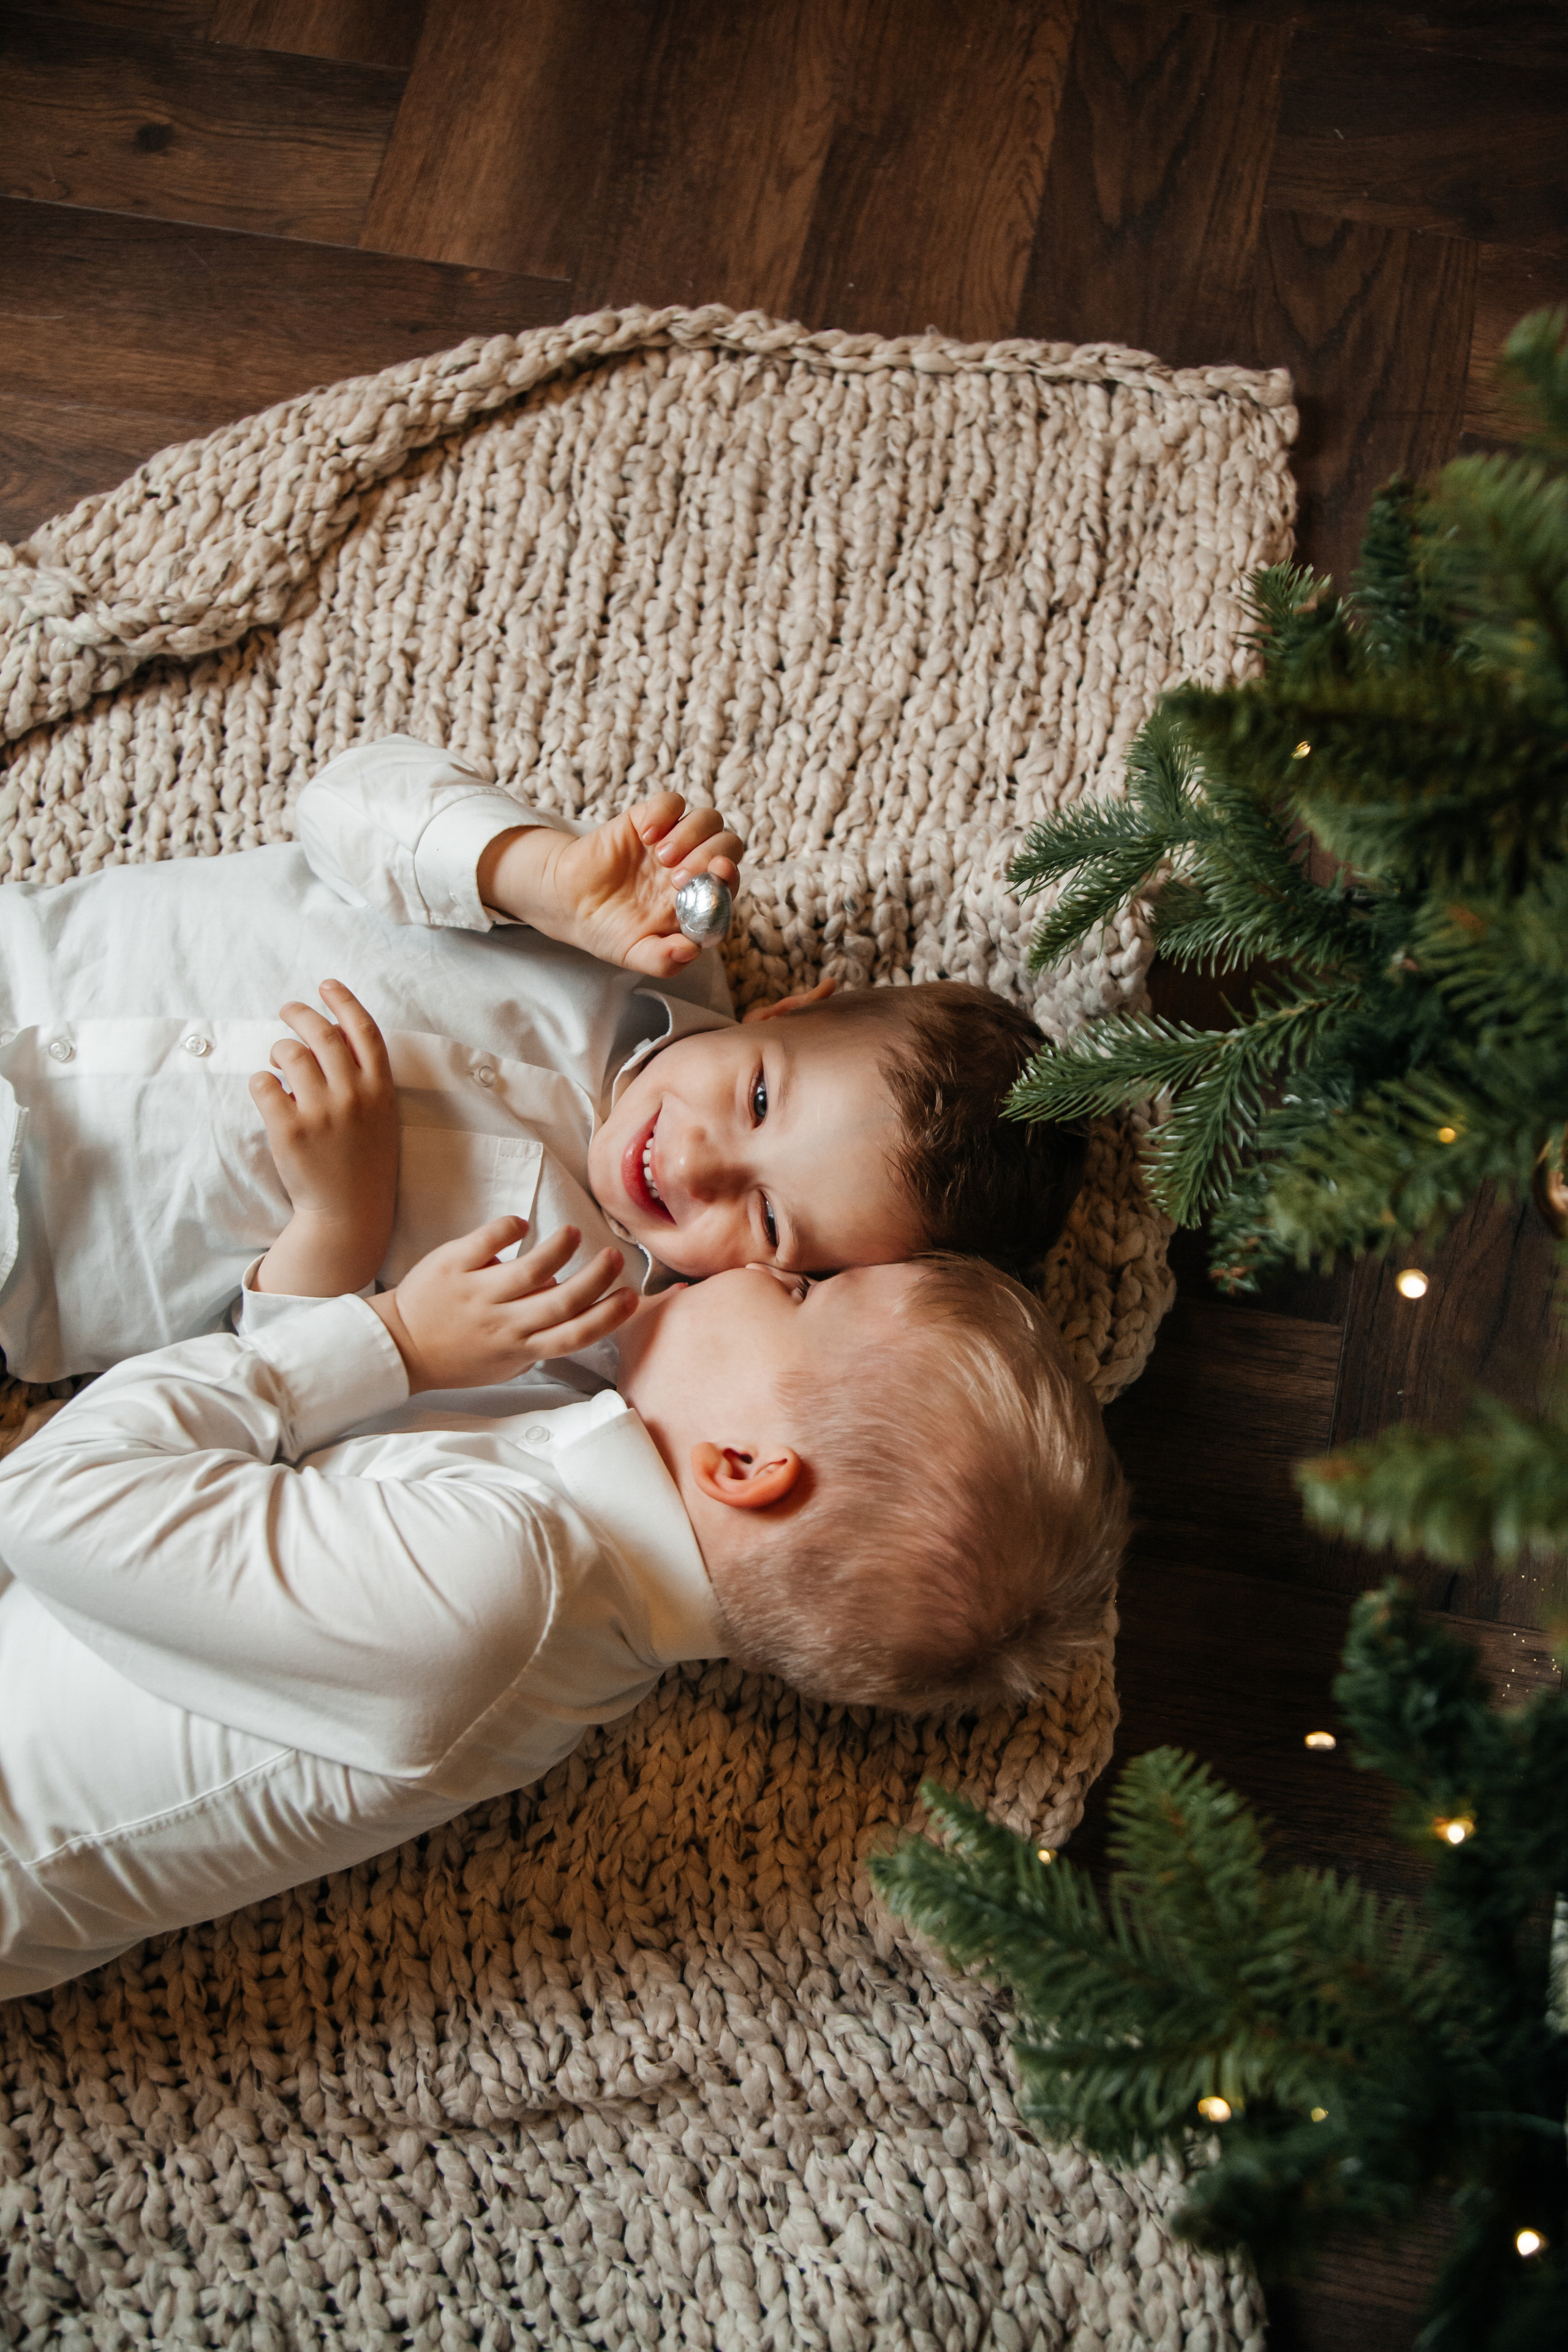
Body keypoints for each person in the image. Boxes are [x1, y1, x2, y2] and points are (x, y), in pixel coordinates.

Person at [0, 1009, 1126, 2000]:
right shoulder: (585, 1586)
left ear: (744, 1466)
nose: (738, 1273)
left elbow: (54, 1499)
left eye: (792, 1291)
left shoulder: (500, 1589)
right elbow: (292, 1494)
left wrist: (395, 1339)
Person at [0, 737, 1083, 1384]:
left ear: (795, 1289)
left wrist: (337, 1224)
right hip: (35, 966)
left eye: (767, 1222)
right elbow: (342, 799)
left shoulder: (579, 1328)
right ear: (793, 1009)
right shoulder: (618, 933)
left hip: (39, 1250)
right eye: (758, 1098)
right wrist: (534, 874)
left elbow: (273, 1395)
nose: (697, 1167)